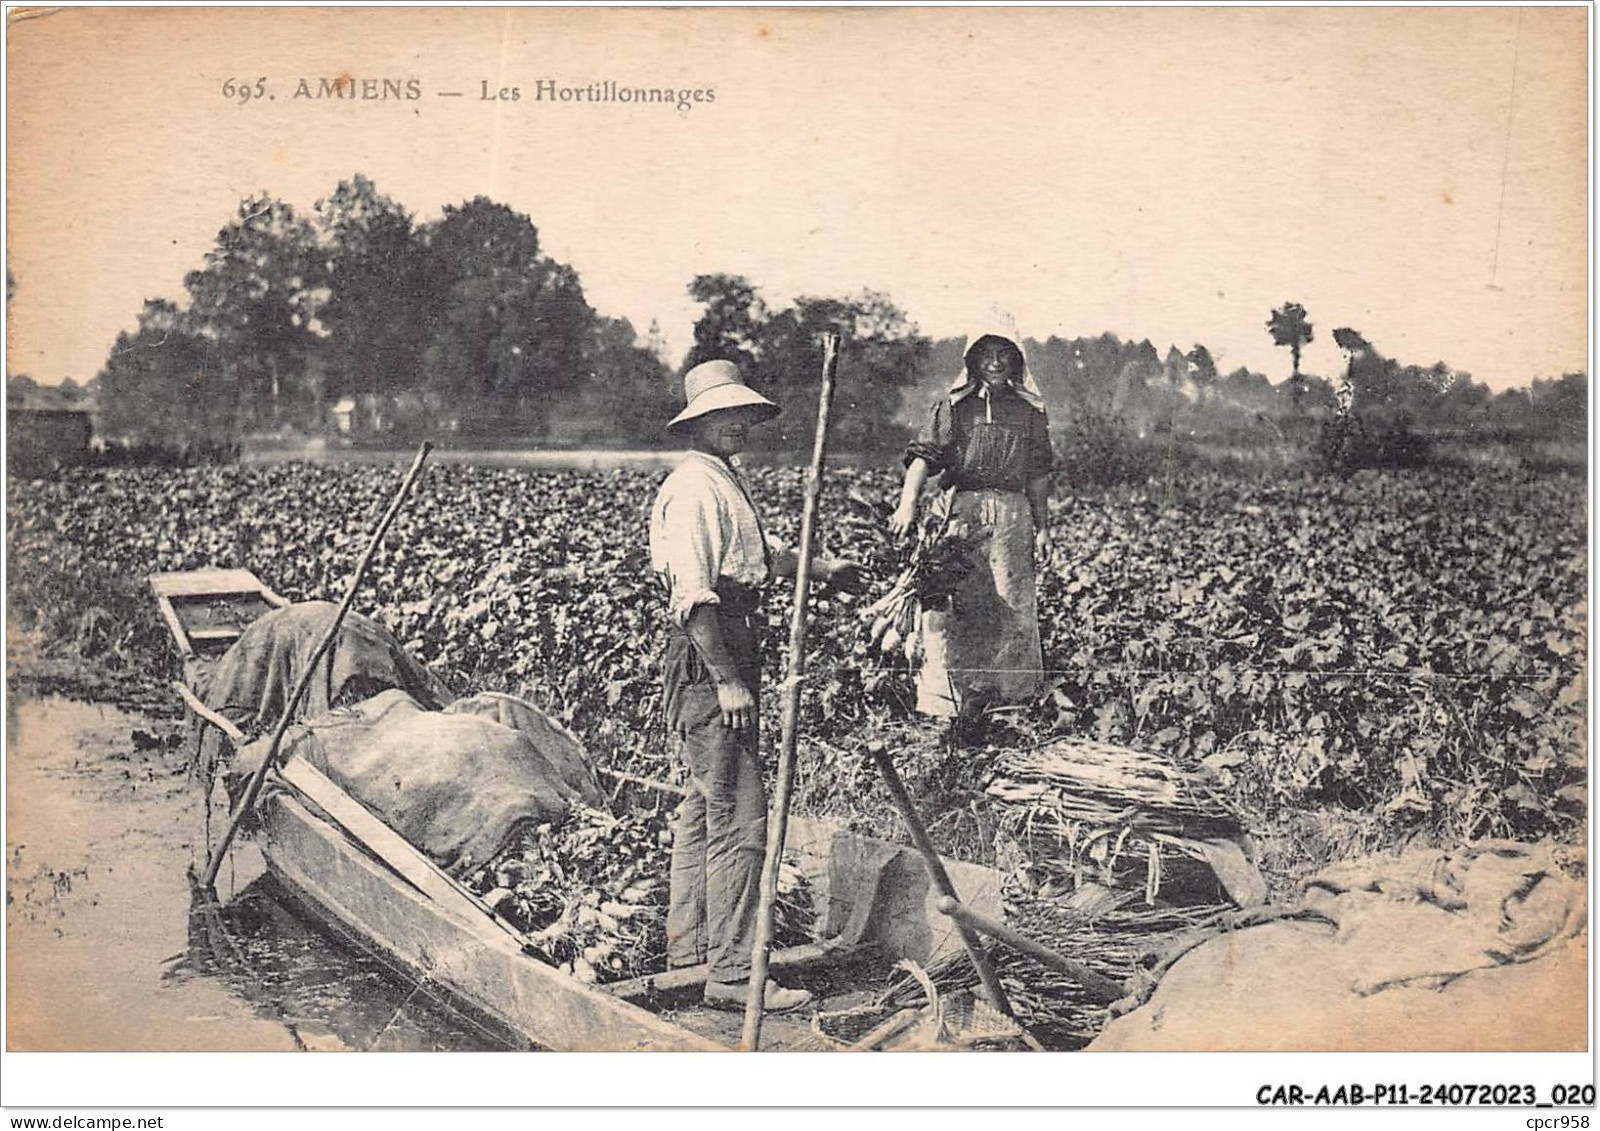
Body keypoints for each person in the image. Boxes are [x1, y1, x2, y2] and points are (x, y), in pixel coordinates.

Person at [648, 358, 854, 1013]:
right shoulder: (694, 488)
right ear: (700, 422)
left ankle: (691, 951)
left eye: (742, 412)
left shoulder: (721, 478)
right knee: (740, 816)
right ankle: (734, 975)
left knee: (702, 808)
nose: (737, 423)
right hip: (714, 653)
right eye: (724, 414)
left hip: (728, 643)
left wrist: (821, 567)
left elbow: (755, 559)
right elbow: (694, 595)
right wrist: (729, 682)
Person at [890, 331, 1052, 726]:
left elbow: (1038, 475)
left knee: (1013, 602)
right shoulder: (954, 407)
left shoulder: (1029, 411)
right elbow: (924, 459)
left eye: (1004, 356)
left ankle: (1008, 703)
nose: (995, 363)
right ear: (972, 362)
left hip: (1014, 514)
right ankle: (946, 702)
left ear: (1017, 362)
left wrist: (1044, 527)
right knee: (955, 604)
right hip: (962, 511)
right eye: (986, 356)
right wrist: (907, 504)